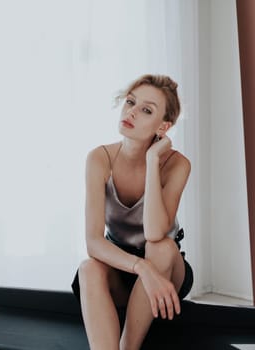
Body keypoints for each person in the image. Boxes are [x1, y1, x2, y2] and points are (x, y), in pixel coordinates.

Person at [72, 74, 193, 350]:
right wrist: (141, 268)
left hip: (165, 272)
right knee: (88, 268)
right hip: (122, 268)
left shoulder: (177, 165)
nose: (132, 112)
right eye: (130, 102)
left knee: (160, 247)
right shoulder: (99, 159)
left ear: (163, 126)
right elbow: (93, 242)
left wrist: (152, 160)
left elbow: (154, 232)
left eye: (146, 110)